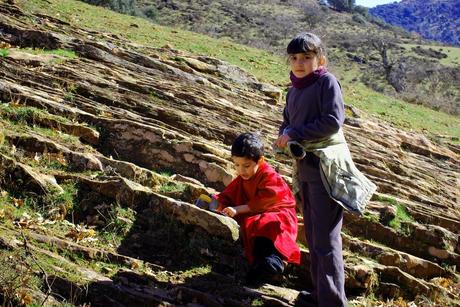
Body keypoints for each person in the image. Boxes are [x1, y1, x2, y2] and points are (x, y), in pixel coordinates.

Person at [274, 32, 348, 307]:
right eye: (294, 58)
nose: (300, 63)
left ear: (321, 60)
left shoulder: (326, 83)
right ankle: (320, 295)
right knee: (315, 236)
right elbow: (287, 121)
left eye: (306, 57)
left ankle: (332, 302)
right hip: (304, 170)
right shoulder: (293, 90)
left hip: (326, 171)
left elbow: (332, 121)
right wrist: (284, 134)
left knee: (326, 241)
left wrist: (295, 132)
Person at [215, 132, 301, 285]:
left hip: (280, 216)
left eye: (246, 166)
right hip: (256, 217)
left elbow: (267, 199)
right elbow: (229, 194)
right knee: (253, 223)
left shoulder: (269, 175)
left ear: (260, 161)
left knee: (265, 223)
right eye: (237, 165)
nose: (241, 171)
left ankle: (275, 261)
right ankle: (261, 266)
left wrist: (238, 209)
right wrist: (217, 203)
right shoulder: (243, 178)